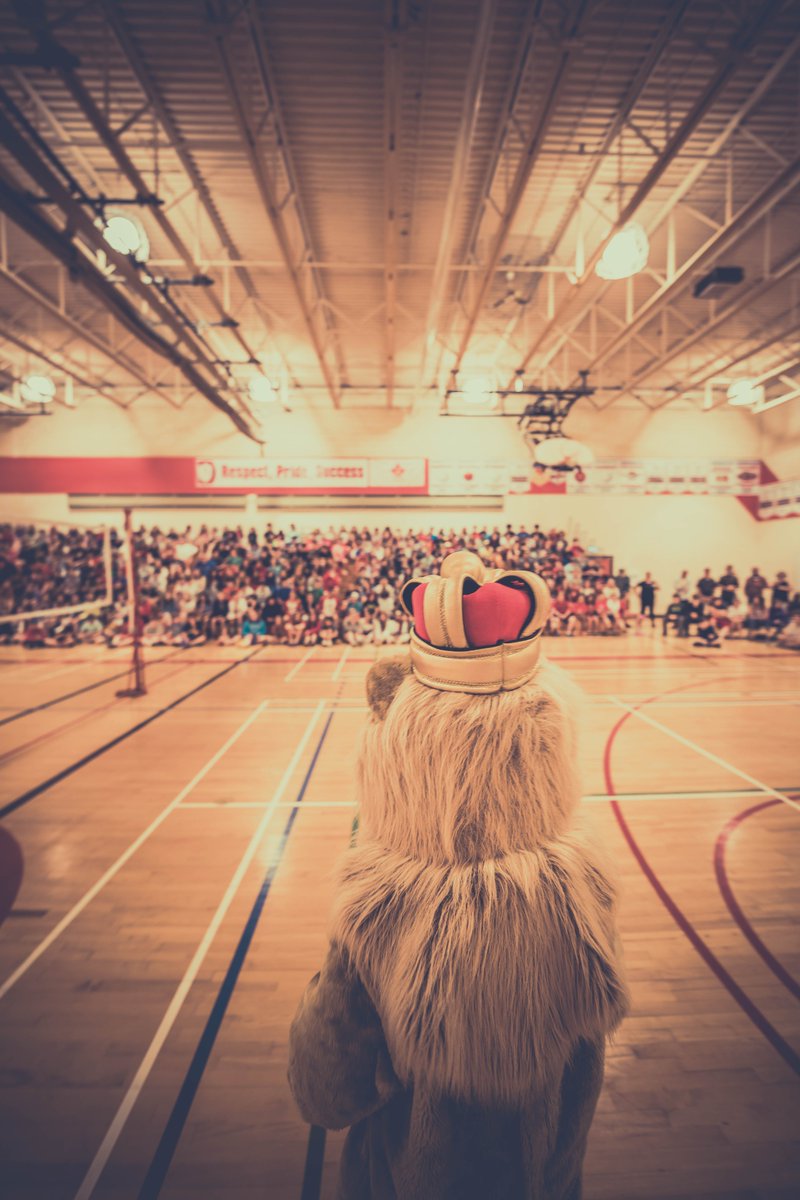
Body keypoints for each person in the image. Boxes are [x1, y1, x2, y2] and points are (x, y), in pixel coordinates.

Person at [289, 551, 628, 1200]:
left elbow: (326, 1090)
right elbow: (586, 1073)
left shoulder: (380, 915)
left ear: (407, 753)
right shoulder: (585, 891)